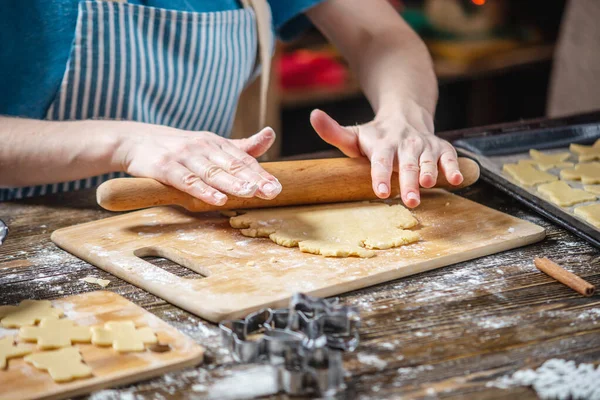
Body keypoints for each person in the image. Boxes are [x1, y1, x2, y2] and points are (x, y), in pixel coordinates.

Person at [0, 0, 463, 209]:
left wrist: (405, 116)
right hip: (29, 243)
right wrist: (122, 141)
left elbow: (380, 35)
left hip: (204, 227)